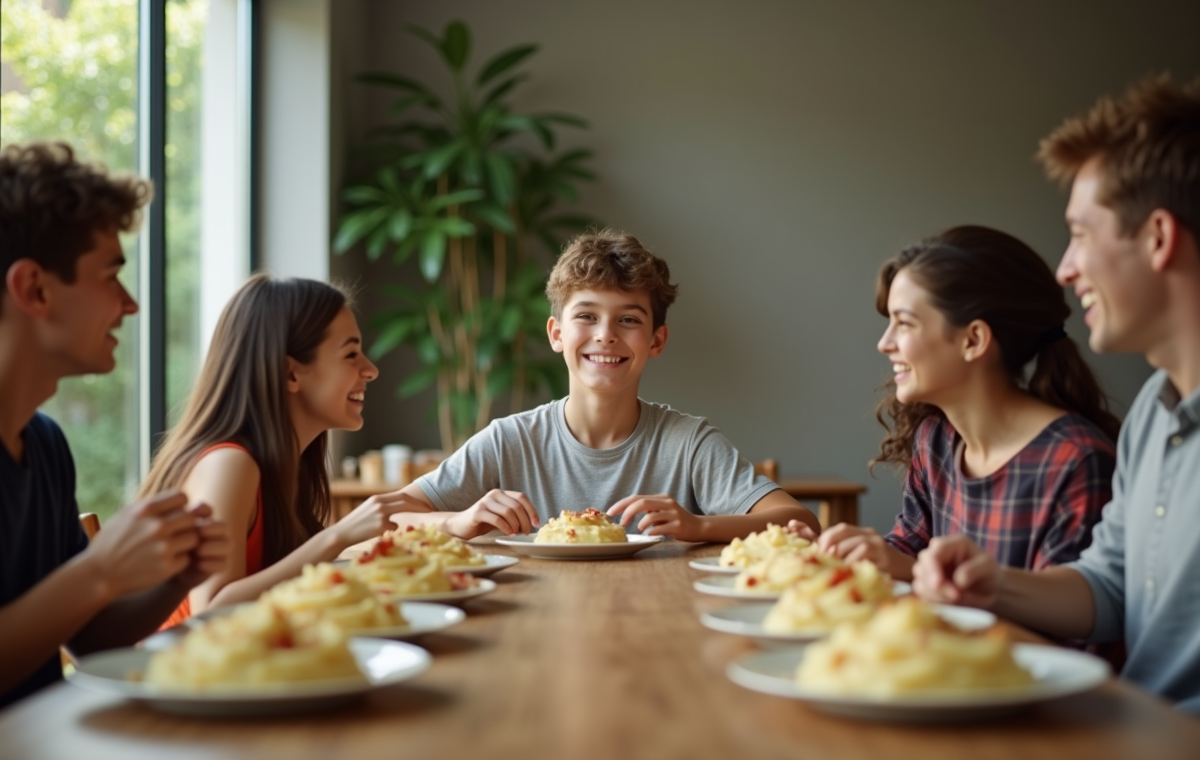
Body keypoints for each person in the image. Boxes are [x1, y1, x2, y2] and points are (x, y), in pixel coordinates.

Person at [912, 76, 1200, 713]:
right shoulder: (1157, 409)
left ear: (1157, 238)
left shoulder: (1081, 449)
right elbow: (1108, 590)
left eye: (1081, 234)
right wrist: (993, 584)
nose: (1066, 268)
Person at [388, 229, 820, 542]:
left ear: (656, 341)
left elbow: (800, 520)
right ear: (556, 334)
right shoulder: (510, 440)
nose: (605, 335)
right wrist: (457, 520)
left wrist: (698, 525)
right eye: (586, 316)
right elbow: (392, 517)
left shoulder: (687, 443)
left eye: (629, 319)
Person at [0, 142, 229, 707]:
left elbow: (90, 642)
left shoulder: (46, 444)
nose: (130, 305)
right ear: (34, 289)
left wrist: (175, 577)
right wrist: (100, 570)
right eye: (110, 275)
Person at [791, 226, 1119, 584]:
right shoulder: (935, 440)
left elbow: (1065, 632)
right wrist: (834, 559)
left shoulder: (1076, 463)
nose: (884, 343)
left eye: (904, 323)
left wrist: (909, 571)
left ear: (973, 339)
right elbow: (904, 554)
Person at [137, 275, 425, 627]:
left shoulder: (286, 463)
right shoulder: (228, 465)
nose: (371, 369)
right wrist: (337, 536)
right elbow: (209, 611)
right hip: (181, 673)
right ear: (291, 373)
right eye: (351, 354)